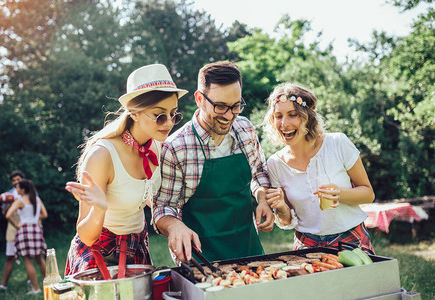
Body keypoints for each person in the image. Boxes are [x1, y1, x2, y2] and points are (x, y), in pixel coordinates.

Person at [64, 64, 188, 275]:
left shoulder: (158, 145)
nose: (168, 123)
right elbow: (86, 236)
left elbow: (150, 197)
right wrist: (99, 209)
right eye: (159, 115)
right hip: (99, 252)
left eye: (174, 114)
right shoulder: (102, 156)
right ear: (134, 113)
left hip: (136, 246)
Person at [153, 61, 274, 264]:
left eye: (235, 106)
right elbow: (163, 207)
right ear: (199, 99)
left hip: (248, 248)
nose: (229, 116)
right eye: (220, 106)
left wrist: (262, 198)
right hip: (201, 258)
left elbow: (259, 171)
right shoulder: (176, 148)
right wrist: (175, 227)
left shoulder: (245, 129)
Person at [264, 82, 375, 254]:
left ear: (308, 117)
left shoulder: (338, 143)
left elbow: (368, 194)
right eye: (278, 116)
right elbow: (286, 221)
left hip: (351, 238)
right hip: (306, 243)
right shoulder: (275, 164)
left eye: (292, 115)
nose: (284, 123)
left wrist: (340, 194)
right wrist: (281, 207)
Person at [6, 179, 48, 295]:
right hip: (36, 230)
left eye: (18, 188)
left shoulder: (20, 201)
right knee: (40, 260)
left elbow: (8, 214)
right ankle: (49, 284)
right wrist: (34, 218)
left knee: (29, 262)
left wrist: (17, 224)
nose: (16, 189)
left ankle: (36, 289)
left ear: (23, 190)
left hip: (25, 231)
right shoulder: (37, 199)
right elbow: (44, 214)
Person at [0, 170, 26, 294]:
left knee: (30, 257)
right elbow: (5, 213)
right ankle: (3, 286)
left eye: (18, 179)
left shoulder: (29, 193)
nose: (16, 182)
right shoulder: (8, 195)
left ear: (22, 179)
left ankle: (32, 282)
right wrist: (6, 205)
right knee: (9, 256)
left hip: (26, 228)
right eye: (14, 180)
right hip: (13, 229)